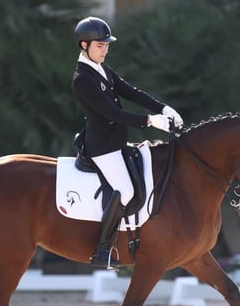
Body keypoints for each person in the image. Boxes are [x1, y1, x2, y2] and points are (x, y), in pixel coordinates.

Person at [71, 16, 183, 269]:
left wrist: (163, 107)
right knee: (127, 190)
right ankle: (102, 250)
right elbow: (112, 113)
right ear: (84, 46)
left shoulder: (103, 70)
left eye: (106, 45)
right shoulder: (82, 79)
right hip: (102, 148)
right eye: (100, 46)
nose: (105, 49)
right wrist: (151, 121)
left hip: (117, 143)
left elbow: (130, 91)